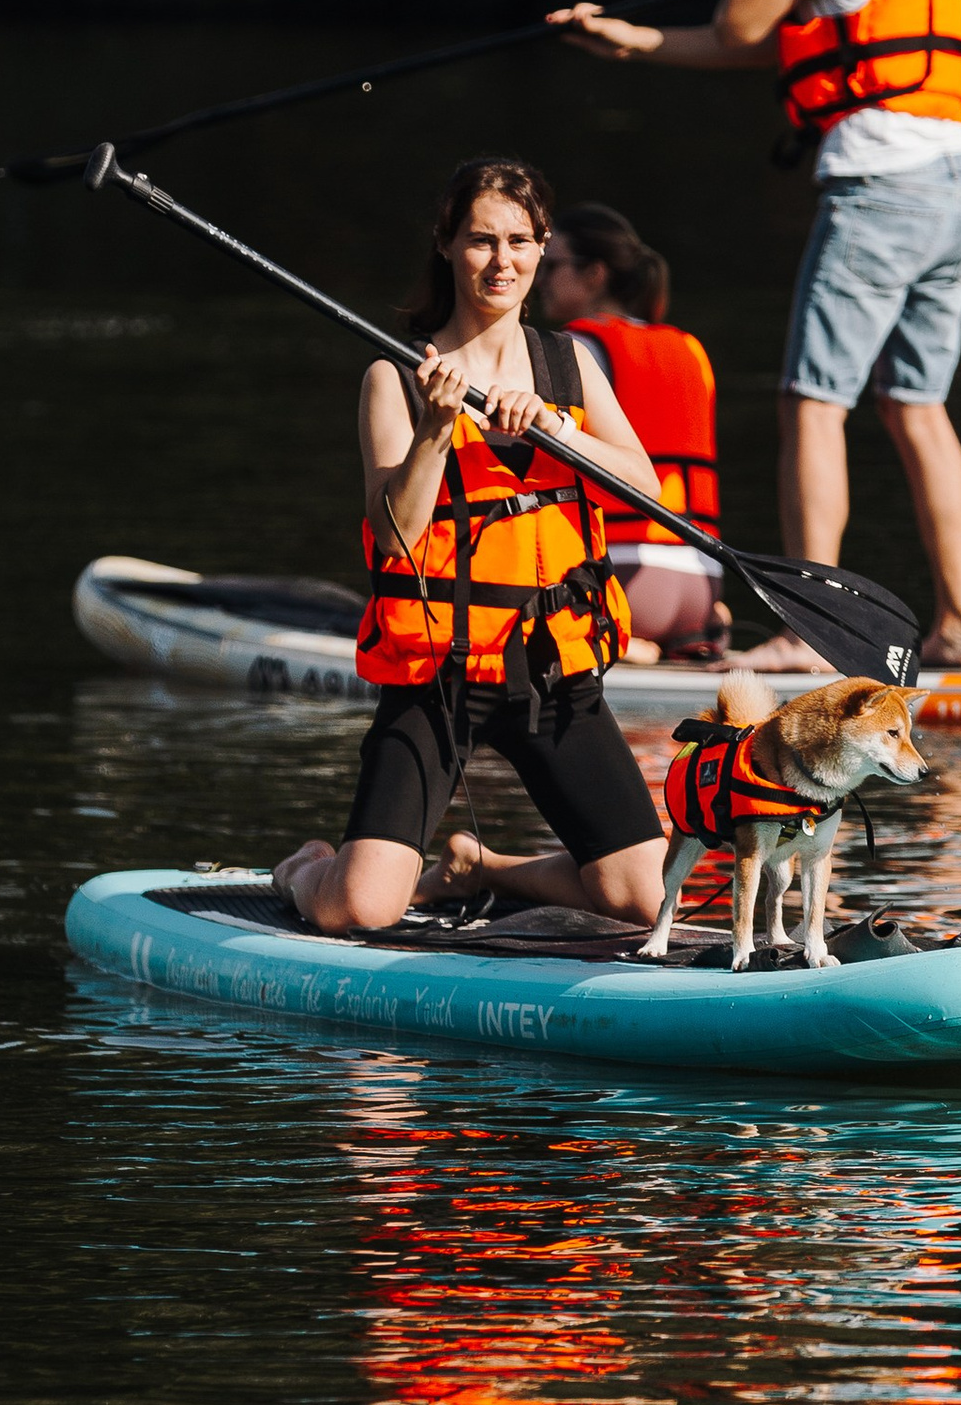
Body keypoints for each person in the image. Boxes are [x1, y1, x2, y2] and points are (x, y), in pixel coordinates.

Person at [551, 0, 961, 668]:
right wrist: (629, 38)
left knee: (811, 403)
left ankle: (806, 632)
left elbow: (738, 28)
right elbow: (765, 40)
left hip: (879, 188)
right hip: (956, 187)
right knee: (918, 407)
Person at [272, 157, 670, 936]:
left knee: (645, 900)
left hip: (552, 670)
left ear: (542, 245)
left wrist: (561, 431)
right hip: (437, 677)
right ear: (448, 246)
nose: (503, 261)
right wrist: (435, 429)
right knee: (357, 910)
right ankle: (302, 870)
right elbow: (395, 539)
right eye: (482, 241)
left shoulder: (571, 365)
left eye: (521, 242)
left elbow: (647, 491)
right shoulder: (395, 375)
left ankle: (480, 871)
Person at [531, 200, 728, 662]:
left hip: (627, 582)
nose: (539, 280)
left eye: (551, 266)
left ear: (594, 274)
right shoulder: (691, 349)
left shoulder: (575, 347)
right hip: (703, 584)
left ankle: (624, 643)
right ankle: (680, 640)